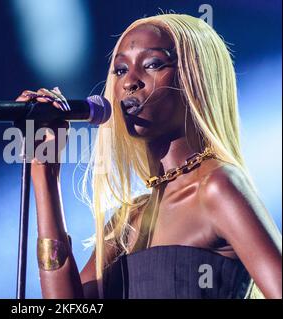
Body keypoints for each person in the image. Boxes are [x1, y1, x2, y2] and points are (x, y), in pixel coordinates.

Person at [15, 13, 282, 299]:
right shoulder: (128, 220)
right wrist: (44, 171)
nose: (130, 82)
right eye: (120, 70)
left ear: (195, 79)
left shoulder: (216, 186)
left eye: (152, 64)